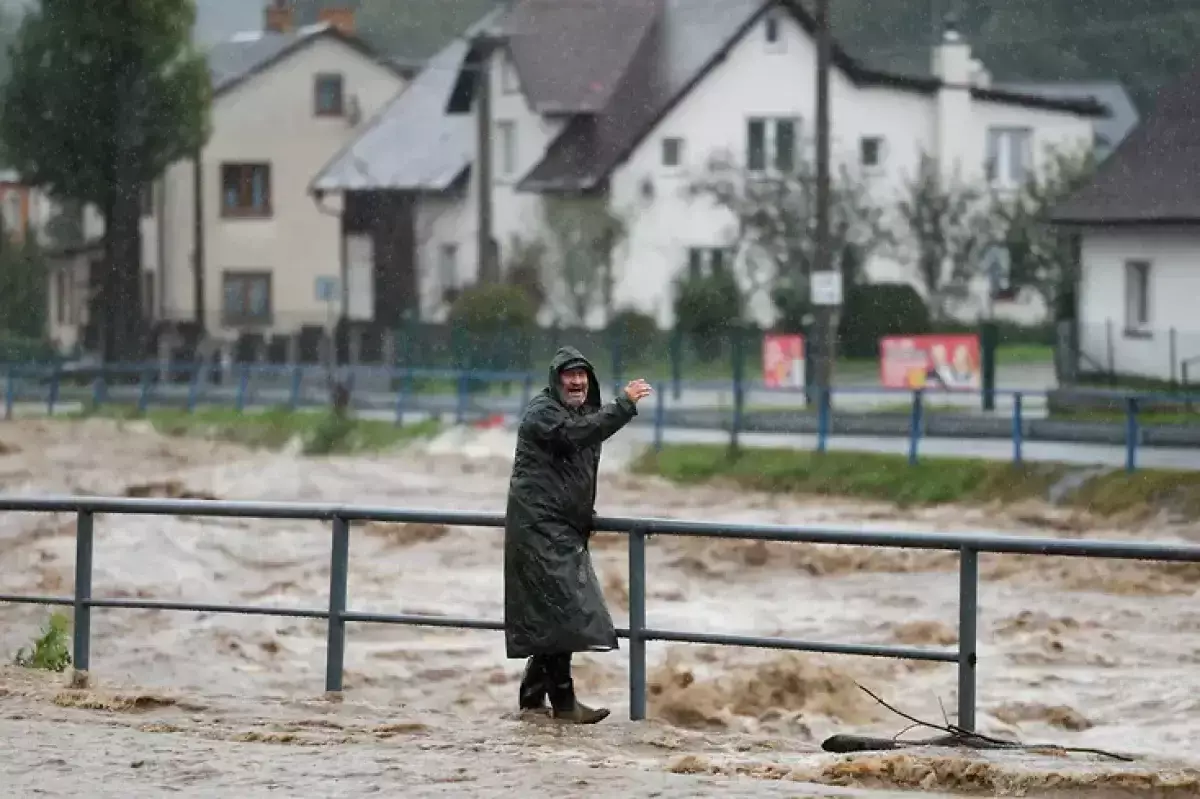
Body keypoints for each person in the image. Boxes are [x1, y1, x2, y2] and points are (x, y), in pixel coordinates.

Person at [503, 346, 653, 724]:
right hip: (540, 530)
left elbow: (571, 470)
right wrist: (623, 405)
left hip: (560, 529)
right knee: (567, 614)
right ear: (556, 380)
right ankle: (564, 703)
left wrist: (584, 514)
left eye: (582, 375)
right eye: (569, 375)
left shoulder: (579, 412)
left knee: (558, 616)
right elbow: (576, 436)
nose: (576, 381)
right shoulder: (545, 413)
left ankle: (533, 698)